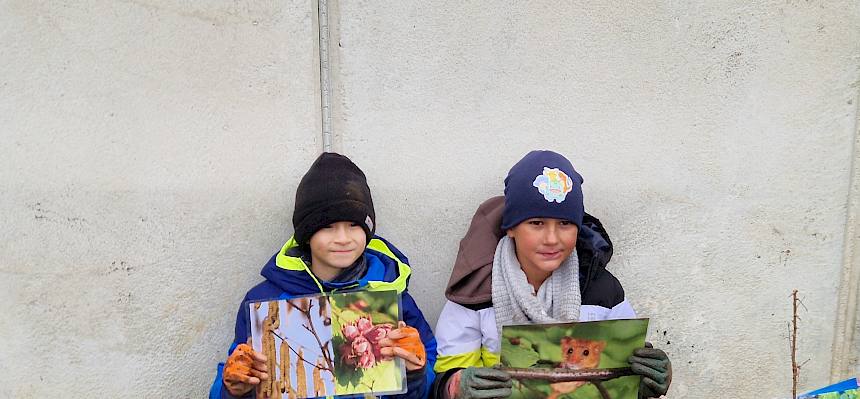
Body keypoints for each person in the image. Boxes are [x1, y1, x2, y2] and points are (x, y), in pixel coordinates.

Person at [431, 150, 672, 399]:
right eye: (536, 223)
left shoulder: (602, 289)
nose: (552, 239)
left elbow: (627, 375)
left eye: (565, 224)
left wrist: (648, 380)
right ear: (511, 228)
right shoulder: (474, 291)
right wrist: (455, 386)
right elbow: (442, 378)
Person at [210, 152, 436, 399]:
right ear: (307, 234)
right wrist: (232, 389)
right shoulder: (267, 299)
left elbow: (428, 378)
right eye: (327, 227)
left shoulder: (393, 295)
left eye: (353, 225)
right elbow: (241, 370)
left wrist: (416, 374)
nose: (342, 238)